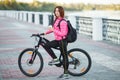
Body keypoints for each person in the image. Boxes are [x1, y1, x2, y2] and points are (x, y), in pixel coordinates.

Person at [43, 6, 69, 79]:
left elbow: (63, 33)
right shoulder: (56, 20)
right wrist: (44, 33)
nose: (56, 12)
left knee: (64, 57)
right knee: (46, 45)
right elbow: (53, 29)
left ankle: (66, 74)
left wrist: (53, 30)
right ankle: (55, 59)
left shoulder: (63, 21)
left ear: (61, 12)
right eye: (55, 11)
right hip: (58, 40)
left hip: (63, 41)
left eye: (58, 11)